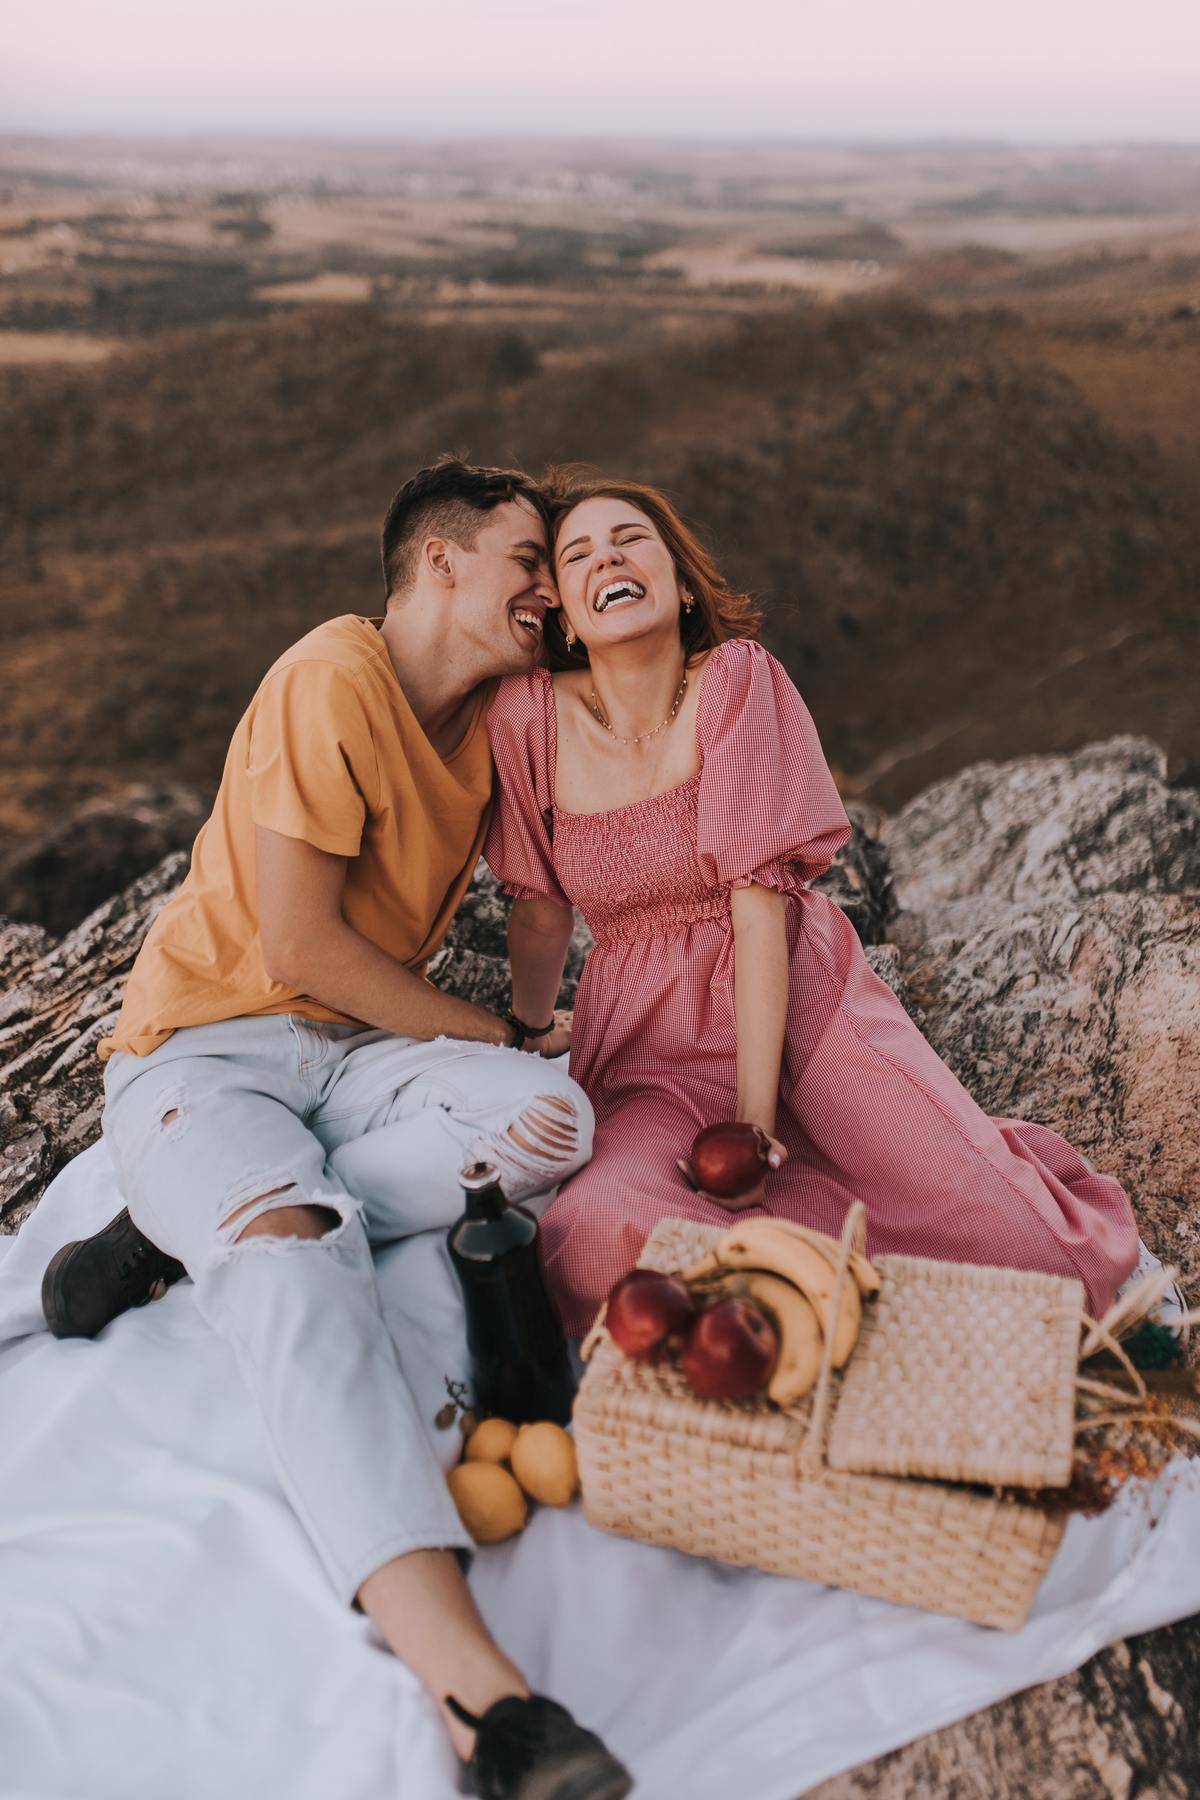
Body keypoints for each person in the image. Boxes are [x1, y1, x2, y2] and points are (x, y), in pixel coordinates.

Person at [40, 459, 633, 1800]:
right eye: (523, 560)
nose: (545, 591)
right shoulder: (331, 676)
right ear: (438, 563)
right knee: (299, 1255)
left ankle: (168, 1221)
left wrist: (525, 1027)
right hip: (210, 1049)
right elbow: (302, 941)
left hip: (356, 1062)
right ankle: (486, 1703)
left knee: (551, 1119)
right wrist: (477, 1029)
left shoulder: (496, 720)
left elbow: (556, 868)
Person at [483, 473, 1143, 1340]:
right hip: (647, 1053)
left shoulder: (735, 681)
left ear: (681, 585)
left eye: (632, 539)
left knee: (1038, 1262)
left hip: (800, 1013)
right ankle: (783, 1327)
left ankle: (937, 1189)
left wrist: (751, 1132)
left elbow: (756, 913)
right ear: (564, 613)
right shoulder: (527, 716)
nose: (607, 556)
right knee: (591, 1239)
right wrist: (530, 1031)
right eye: (578, 553)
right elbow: (538, 904)